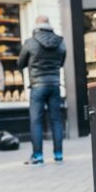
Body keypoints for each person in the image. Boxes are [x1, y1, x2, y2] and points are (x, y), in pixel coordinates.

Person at [18, 15, 66, 165]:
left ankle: (38, 156)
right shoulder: (60, 42)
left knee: (36, 121)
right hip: (54, 85)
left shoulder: (30, 42)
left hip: (38, 86)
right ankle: (58, 155)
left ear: (36, 26)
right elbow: (61, 62)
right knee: (56, 121)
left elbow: (20, 63)